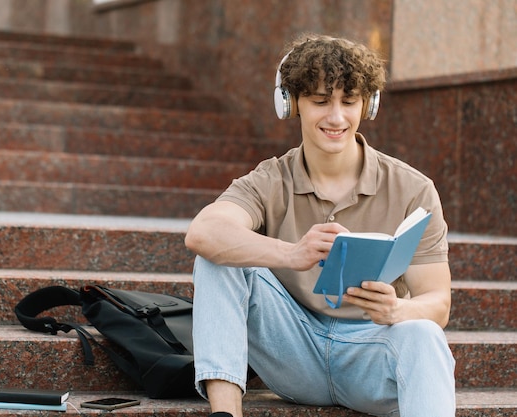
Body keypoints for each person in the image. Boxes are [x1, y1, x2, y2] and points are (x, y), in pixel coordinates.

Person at [184, 33, 456, 417]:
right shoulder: (270, 179)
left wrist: (397, 310)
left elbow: (438, 303)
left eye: (349, 101)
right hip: (294, 354)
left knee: (425, 333)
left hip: (371, 355)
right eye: (320, 101)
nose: (336, 117)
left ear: (368, 105)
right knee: (217, 258)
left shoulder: (413, 188)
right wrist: (291, 254)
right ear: (290, 103)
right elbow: (202, 233)